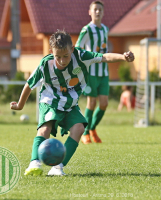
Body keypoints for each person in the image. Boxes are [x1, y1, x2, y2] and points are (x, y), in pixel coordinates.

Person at [10, 30, 135, 176]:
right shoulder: (45, 64)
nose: (62, 60)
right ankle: (34, 163)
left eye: (66, 56)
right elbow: (29, 84)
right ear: (52, 52)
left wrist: (123, 57)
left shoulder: (81, 56)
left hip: (70, 104)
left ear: (72, 49)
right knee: (45, 129)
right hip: (50, 101)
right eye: (58, 57)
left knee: (79, 128)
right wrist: (20, 105)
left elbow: (104, 57)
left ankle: (57, 168)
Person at [75, 1, 110, 144]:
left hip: (104, 72)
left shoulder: (105, 29)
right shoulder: (87, 29)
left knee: (104, 104)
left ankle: (92, 128)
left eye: (100, 10)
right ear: (90, 12)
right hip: (91, 72)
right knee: (91, 102)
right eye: (95, 9)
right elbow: (78, 47)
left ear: (103, 12)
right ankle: (85, 133)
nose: (97, 12)